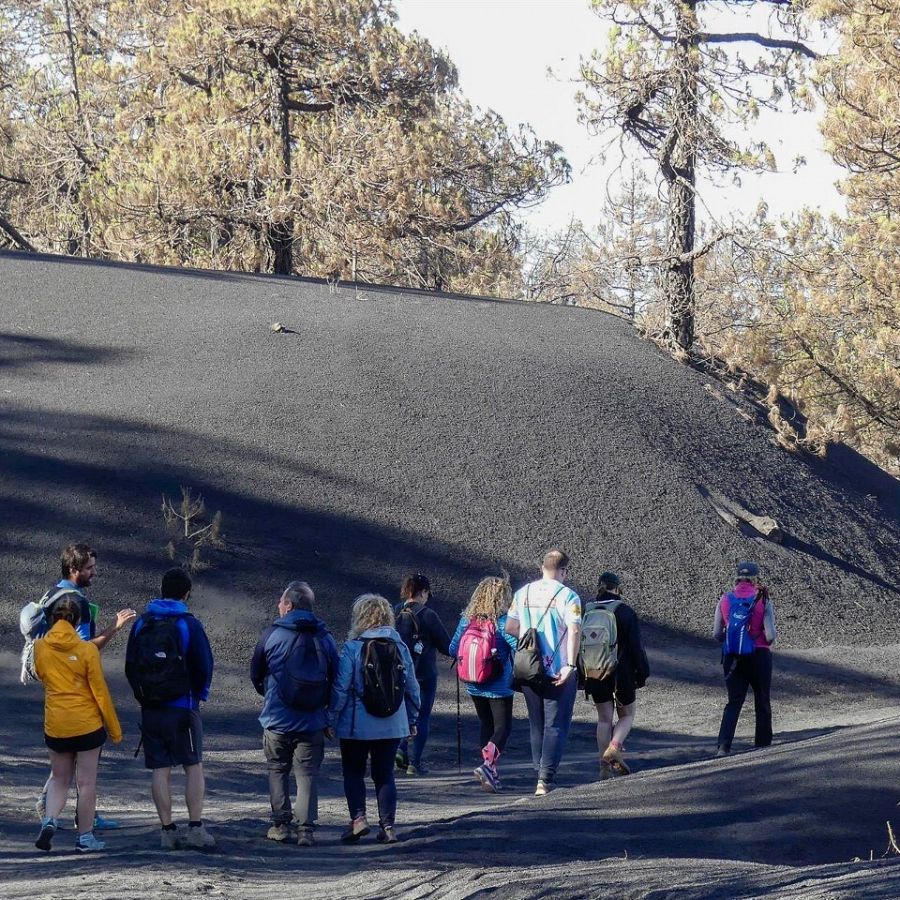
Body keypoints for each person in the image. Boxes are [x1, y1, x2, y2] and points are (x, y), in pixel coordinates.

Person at [34, 543, 136, 831]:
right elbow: (83, 648)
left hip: (55, 688)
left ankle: (59, 807)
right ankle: (83, 817)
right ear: (73, 569)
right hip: (79, 691)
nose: (94, 573)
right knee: (85, 760)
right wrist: (115, 627)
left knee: (64, 757)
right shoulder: (76, 603)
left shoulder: (51, 594)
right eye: (89, 568)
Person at [125, 567, 215, 850]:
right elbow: (204, 665)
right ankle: (196, 828)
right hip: (182, 706)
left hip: (151, 708)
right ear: (186, 594)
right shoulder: (189, 624)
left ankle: (167, 831)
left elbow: (130, 665)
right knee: (193, 766)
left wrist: (143, 696)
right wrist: (197, 696)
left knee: (159, 769)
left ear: (162, 590)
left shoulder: (142, 623)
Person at [250, 581, 339, 847]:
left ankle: (280, 825)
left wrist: (269, 694)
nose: (278, 605)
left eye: (281, 601)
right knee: (307, 773)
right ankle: (305, 830)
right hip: (313, 720)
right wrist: (328, 714)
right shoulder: (325, 637)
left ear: (289, 605)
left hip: (277, 718)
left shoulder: (272, 634)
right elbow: (337, 678)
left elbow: (256, 673)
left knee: (277, 768)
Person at [33, 596, 123, 853]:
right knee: (86, 784)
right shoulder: (87, 650)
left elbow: (41, 675)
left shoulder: (40, 647)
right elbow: (100, 692)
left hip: (56, 724)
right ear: (78, 621)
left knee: (59, 778)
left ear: (52, 618)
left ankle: (50, 820)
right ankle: (84, 838)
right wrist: (115, 730)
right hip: (86, 726)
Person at [329, 594, 420, 844]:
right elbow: (412, 687)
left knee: (353, 772)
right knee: (384, 774)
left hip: (356, 724)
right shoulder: (400, 647)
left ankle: (358, 819)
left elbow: (341, 688)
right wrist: (412, 719)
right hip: (392, 724)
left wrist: (331, 719)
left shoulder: (353, 648)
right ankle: (388, 827)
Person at [505, 549, 582, 796]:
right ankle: (545, 778)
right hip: (557, 668)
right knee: (555, 724)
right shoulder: (568, 596)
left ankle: (538, 771)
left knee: (536, 723)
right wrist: (570, 665)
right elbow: (574, 630)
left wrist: (530, 639)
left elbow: (510, 626)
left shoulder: (523, 593)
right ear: (564, 571)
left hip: (528, 666)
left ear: (542, 568)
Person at [448, 575, 518, 793]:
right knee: (502, 728)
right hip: (499, 685)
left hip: (473, 683)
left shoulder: (466, 620)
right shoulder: (503, 622)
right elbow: (520, 646)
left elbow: (452, 649)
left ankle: (490, 771)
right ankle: (488, 765)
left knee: (486, 724)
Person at [580, 572, 649, 780]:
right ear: (617, 589)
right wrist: (642, 673)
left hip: (594, 671)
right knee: (627, 715)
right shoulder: (625, 611)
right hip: (621, 673)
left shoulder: (587, 610)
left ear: (599, 587)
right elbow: (636, 647)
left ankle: (604, 768)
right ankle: (614, 747)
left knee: (604, 719)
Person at [713, 561, 777, 756]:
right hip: (759, 655)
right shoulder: (762, 599)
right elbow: (770, 635)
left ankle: (723, 746)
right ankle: (762, 745)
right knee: (762, 699)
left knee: (734, 701)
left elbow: (716, 633)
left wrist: (733, 640)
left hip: (733, 657)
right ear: (755, 578)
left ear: (737, 577)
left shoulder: (725, 599)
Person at [393, 573, 451, 776]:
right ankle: (415, 763)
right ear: (423, 592)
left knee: (401, 713)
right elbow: (446, 645)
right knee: (422, 715)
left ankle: (400, 750)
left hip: (399, 673)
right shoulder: (428, 615)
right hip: (424, 673)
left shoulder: (395, 611)